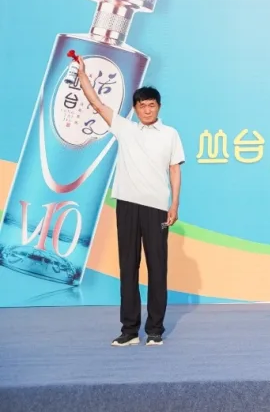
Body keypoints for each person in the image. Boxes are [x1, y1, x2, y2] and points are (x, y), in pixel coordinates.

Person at [76, 60, 184, 347]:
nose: (147, 110)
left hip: (158, 208)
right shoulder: (125, 128)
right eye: (142, 105)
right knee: (128, 266)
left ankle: (155, 330)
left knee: (157, 268)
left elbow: (175, 169)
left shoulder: (170, 134)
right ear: (135, 109)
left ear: (159, 107)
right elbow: (97, 104)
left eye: (152, 105)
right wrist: (83, 75)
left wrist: (174, 204)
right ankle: (129, 330)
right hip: (126, 205)